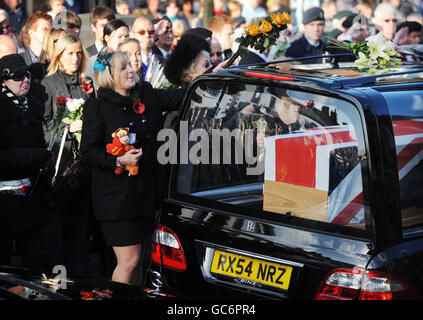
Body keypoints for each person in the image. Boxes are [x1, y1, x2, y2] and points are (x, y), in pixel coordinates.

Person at [80, 49, 185, 285]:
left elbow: (179, 97)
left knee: (141, 262)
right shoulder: (98, 106)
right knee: (129, 261)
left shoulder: (145, 94)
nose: (131, 70)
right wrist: (119, 160)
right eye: (124, 67)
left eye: (131, 65)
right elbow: (88, 151)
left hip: (145, 194)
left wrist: (208, 77)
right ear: (110, 75)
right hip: (116, 198)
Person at [41, 32, 95, 277]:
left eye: (78, 53)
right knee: (57, 228)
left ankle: (80, 279)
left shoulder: (86, 84)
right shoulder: (49, 84)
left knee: (80, 227)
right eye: (69, 53)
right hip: (59, 166)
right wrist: (67, 127)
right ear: (59, 56)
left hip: (83, 164)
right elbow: (42, 127)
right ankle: (58, 279)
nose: (75, 58)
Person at [0, 53, 53, 274]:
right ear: (3, 81)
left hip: (32, 200)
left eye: (28, 74)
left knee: (37, 267)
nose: (25, 80)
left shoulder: (33, 104)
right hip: (4, 203)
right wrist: (32, 155)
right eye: (18, 76)